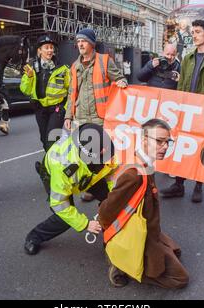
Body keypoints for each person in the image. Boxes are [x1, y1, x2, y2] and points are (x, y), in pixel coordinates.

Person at [98, 119, 189, 288]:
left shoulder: (146, 165)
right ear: (145, 139)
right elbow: (106, 212)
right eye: (159, 141)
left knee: (176, 252)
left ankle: (139, 260)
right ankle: (123, 266)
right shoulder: (134, 174)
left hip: (151, 231)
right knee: (180, 279)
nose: (165, 146)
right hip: (140, 236)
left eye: (167, 141)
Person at [161, 19, 204, 203]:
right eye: (193, 32)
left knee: (202, 147)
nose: (194, 35)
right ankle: (178, 184)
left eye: (198, 31)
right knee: (182, 146)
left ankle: (199, 186)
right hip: (187, 110)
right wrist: (178, 107)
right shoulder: (188, 57)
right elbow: (181, 85)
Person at [24, 124, 118, 255]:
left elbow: (111, 174)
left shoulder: (102, 145)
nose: (107, 157)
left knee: (112, 200)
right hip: (55, 175)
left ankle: (110, 238)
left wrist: (113, 195)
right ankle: (34, 237)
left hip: (87, 176)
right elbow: (59, 204)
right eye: (102, 155)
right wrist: (85, 224)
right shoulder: (63, 167)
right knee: (64, 218)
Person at [63, 28, 127, 202]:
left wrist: (121, 81)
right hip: (81, 118)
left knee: (106, 155)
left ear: (91, 43)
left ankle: (111, 188)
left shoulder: (104, 61)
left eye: (84, 41)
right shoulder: (74, 66)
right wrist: (68, 116)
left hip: (101, 117)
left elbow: (120, 79)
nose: (80, 44)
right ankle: (92, 187)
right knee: (86, 156)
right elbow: (71, 93)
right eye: (78, 42)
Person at [20, 35, 70, 152]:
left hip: (57, 109)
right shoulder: (31, 68)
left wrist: (66, 108)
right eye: (46, 48)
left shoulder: (63, 68)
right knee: (44, 139)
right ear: (39, 50)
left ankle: (48, 169)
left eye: (51, 48)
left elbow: (71, 90)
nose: (50, 50)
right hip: (40, 109)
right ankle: (51, 166)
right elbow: (25, 90)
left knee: (52, 139)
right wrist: (30, 77)